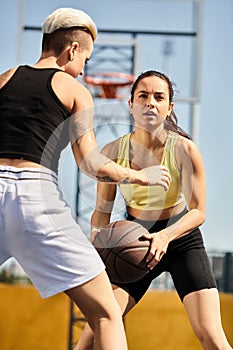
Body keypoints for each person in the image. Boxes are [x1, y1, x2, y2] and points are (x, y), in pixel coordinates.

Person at [0, 9, 172, 350]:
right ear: (72, 50)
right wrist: (141, 176)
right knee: (106, 312)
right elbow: (92, 164)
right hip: (35, 198)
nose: (83, 68)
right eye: (86, 60)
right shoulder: (73, 89)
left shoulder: (3, 78)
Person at [76, 70, 233, 350]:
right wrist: (96, 250)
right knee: (91, 335)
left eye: (159, 97)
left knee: (212, 336)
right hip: (133, 243)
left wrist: (165, 237)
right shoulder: (112, 152)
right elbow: (101, 213)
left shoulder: (185, 149)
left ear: (169, 107)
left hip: (181, 238)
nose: (150, 103)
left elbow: (198, 211)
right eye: (143, 96)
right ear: (131, 104)